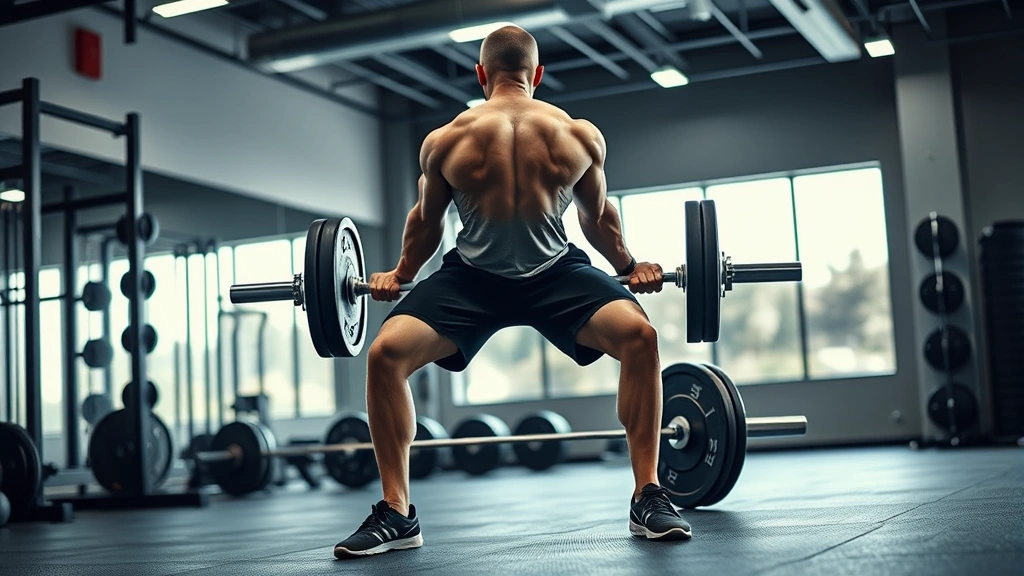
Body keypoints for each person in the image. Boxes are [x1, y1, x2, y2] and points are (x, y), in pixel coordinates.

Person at [333, 25, 691, 559]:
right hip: (535, 274)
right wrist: (630, 266)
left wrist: (399, 274)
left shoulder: (446, 139)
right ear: (537, 75)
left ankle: (398, 507)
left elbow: (425, 226)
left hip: (484, 275)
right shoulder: (579, 134)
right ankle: (648, 494)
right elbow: (598, 222)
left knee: (385, 355)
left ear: (481, 75)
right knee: (639, 337)